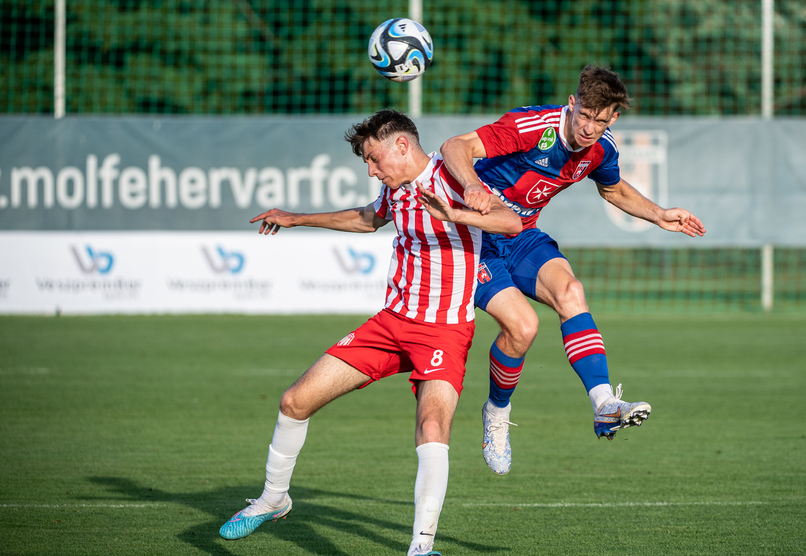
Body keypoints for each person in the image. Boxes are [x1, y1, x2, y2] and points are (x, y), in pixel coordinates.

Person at [218, 109, 521, 556]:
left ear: (401, 145)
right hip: (391, 324)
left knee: (432, 426)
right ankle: (273, 499)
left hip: (444, 331)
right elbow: (366, 218)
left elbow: (510, 222)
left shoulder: (453, 176)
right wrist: (297, 219)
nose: (371, 170)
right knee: (294, 401)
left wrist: (455, 213)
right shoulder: (395, 189)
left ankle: (421, 547)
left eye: (374, 159)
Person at [440, 64, 706, 475]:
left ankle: (604, 405)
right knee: (523, 328)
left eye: (600, 121)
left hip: (520, 234)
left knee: (571, 292)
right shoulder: (533, 127)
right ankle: (496, 412)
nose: (588, 128)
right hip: (471, 238)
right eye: (584, 115)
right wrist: (472, 184)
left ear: (613, 118)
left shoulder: (602, 148)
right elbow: (455, 146)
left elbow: (613, 188)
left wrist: (659, 214)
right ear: (572, 103)